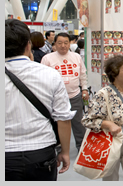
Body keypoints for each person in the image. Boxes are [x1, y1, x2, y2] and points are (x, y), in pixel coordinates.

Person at [5, 19, 74, 181]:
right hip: (41, 152)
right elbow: (63, 118)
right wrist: (64, 151)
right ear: (28, 45)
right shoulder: (50, 74)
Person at [82, 55, 123, 181]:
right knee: (111, 179)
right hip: (110, 146)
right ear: (114, 73)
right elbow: (87, 120)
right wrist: (108, 124)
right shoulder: (104, 94)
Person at [41, 32, 88, 152]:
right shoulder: (47, 58)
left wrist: (85, 89)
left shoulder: (76, 57)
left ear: (70, 43)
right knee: (57, 123)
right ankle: (58, 147)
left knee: (78, 123)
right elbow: (43, 79)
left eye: (66, 43)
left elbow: (83, 74)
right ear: (55, 44)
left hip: (75, 94)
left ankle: (82, 148)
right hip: (55, 98)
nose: (63, 45)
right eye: (60, 43)